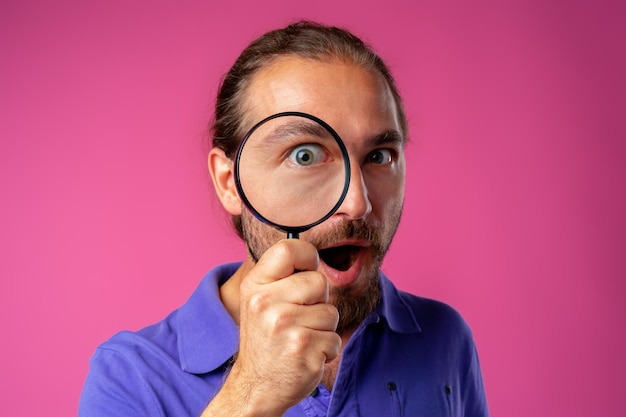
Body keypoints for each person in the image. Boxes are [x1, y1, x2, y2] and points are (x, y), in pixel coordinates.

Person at [79, 21, 489, 417]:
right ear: (229, 183)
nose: (357, 202)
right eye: (304, 155)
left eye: (379, 156)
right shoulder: (131, 377)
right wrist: (251, 393)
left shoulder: (445, 338)